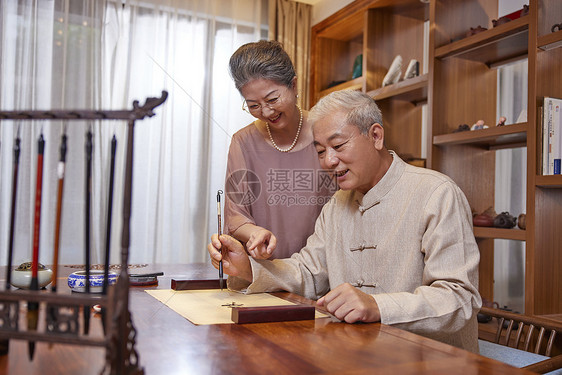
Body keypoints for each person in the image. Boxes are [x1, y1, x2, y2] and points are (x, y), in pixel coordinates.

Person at [209, 89, 482, 352]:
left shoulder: (436, 194)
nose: (328, 161)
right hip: (356, 356)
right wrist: (249, 268)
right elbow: (308, 273)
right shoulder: (337, 204)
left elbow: (459, 298)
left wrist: (377, 306)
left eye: (338, 146)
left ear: (376, 136)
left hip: (431, 363)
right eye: (319, 151)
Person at [224, 40, 335, 260]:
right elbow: (235, 217)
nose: (266, 111)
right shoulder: (243, 142)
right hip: (264, 272)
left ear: (293, 86)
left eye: (272, 99)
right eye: (253, 105)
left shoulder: (327, 132)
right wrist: (255, 233)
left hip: (322, 270)